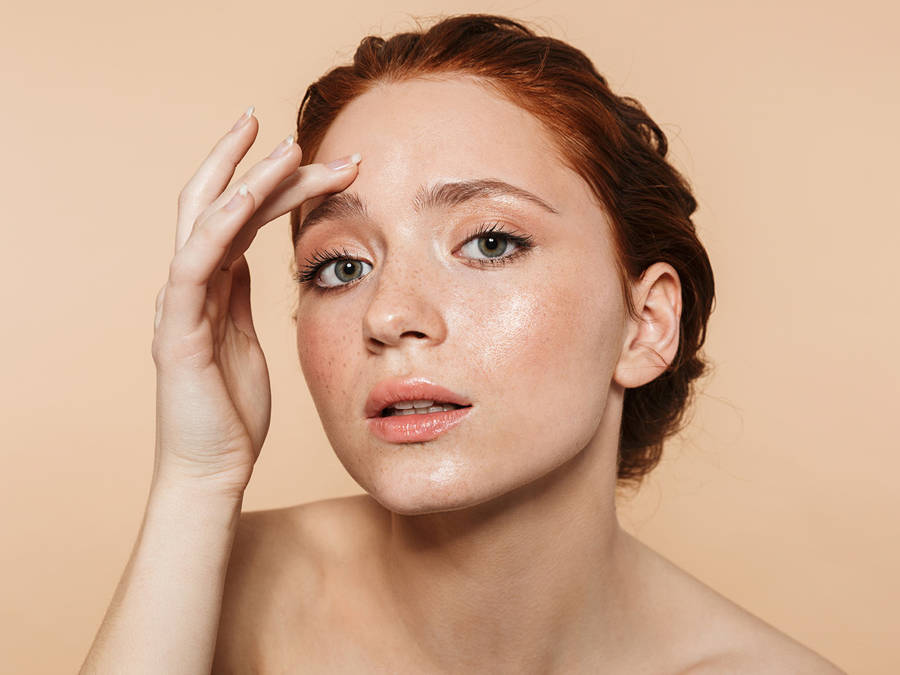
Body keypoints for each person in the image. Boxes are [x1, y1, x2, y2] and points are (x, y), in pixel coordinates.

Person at [80, 13, 846, 674]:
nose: (390, 315)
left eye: (489, 242)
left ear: (646, 323)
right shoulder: (210, 590)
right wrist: (198, 478)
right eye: (341, 266)